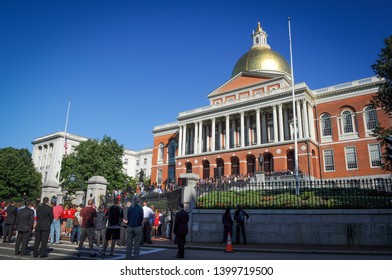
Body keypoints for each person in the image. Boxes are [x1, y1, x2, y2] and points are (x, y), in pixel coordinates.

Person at [125, 195, 144, 260]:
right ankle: (136, 257)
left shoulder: (130, 208)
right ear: (138, 201)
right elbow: (141, 217)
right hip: (137, 226)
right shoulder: (140, 208)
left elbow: (128, 216)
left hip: (130, 226)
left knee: (129, 243)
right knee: (137, 243)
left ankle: (128, 257)